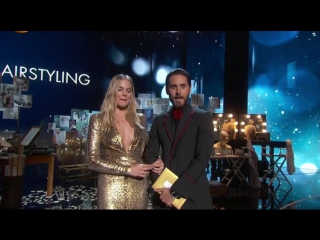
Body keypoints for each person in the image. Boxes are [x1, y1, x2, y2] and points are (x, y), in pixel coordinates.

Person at [86, 73, 164, 209]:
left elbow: (145, 152)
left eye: (128, 90)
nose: (124, 94)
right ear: (112, 92)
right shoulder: (98, 120)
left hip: (138, 186)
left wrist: (156, 161)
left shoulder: (140, 120)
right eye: (120, 89)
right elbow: (92, 161)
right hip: (111, 188)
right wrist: (127, 169)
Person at [145, 68, 214, 210]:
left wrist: (175, 191)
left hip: (193, 194)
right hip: (162, 197)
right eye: (173, 87)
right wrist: (161, 187)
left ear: (189, 88)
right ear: (167, 90)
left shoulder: (203, 117)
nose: (178, 92)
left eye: (182, 86)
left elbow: (202, 159)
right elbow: (150, 154)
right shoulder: (159, 121)